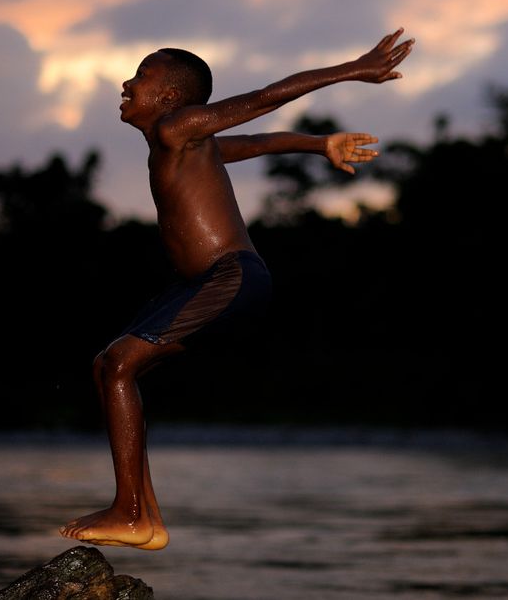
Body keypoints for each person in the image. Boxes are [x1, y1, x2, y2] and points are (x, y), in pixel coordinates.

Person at [59, 28, 414, 550]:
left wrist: (354, 69)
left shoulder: (178, 127)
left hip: (230, 277)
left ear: (170, 98)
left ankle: (130, 513)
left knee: (119, 364)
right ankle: (146, 520)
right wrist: (319, 145)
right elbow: (253, 144)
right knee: (107, 364)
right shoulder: (180, 144)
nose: (126, 83)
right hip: (207, 282)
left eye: (141, 75)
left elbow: (265, 99)